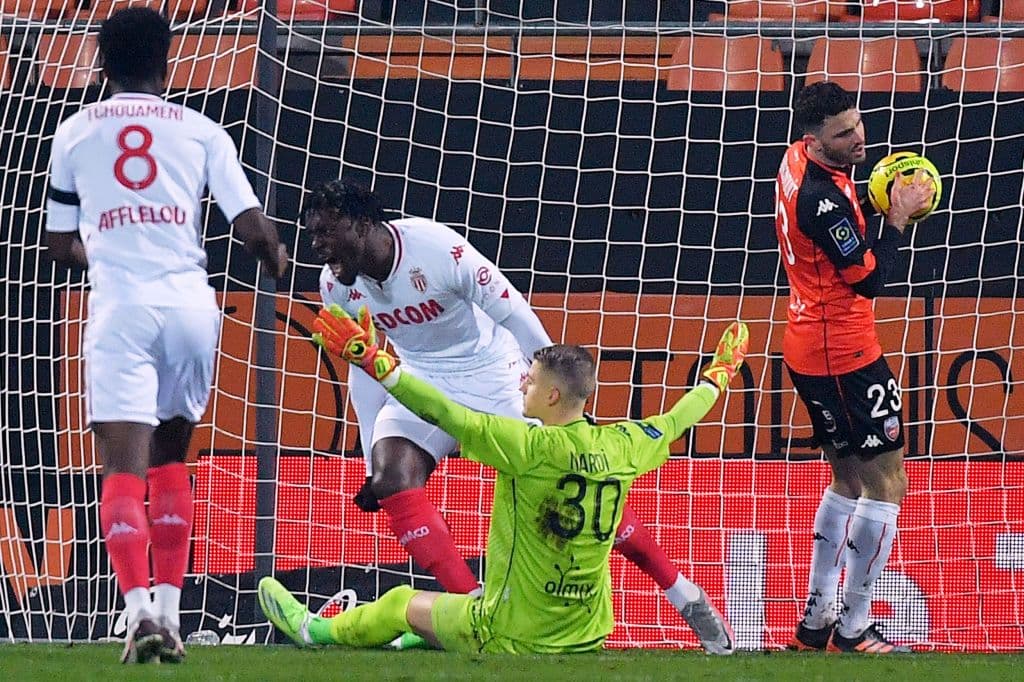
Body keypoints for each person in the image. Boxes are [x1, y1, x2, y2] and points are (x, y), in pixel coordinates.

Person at [302, 178, 733, 653]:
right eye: (312, 235)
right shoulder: (334, 286)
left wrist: (558, 404)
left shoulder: (437, 249)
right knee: (390, 479)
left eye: (326, 233)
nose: (318, 247)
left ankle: (681, 591)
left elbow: (517, 315)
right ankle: (473, 605)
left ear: (363, 225)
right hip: (421, 380)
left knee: (567, 475)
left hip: (493, 372)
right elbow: (362, 366)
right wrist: (367, 454)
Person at [258, 305, 748, 653]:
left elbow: (444, 411)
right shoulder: (626, 443)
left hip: (513, 634)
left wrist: (377, 366)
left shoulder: (526, 447)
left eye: (530, 381)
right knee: (434, 617)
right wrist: (719, 375)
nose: (521, 384)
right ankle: (423, 638)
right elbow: (684, 415)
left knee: (400, 602)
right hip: (588, 632)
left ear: (552, 398)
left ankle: (311, 632)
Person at [44, 7, 288, 665]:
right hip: (189, 306)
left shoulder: (72, 132)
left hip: (122, 306)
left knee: (123, 466)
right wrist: (279, 261)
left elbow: (58, 241)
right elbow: (254, 228)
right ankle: (174, 615)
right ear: (169, 59)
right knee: (173, 460)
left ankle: (137, 614)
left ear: (99, 62)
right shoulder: (203, 131)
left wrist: (110, 247)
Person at [775, 82, 935, 654]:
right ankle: (855, 627)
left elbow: (841, 212)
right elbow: (867, 278)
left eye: (859, 124)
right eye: (844, 134)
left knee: (846, 480)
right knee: (889, 482)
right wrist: (896, 215)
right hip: (846, 355)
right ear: (816, 140)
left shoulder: (795, 162)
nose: (859, 138)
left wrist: (870, 200)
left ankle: (816, 623)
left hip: (808, 345)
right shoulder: (820, 200)